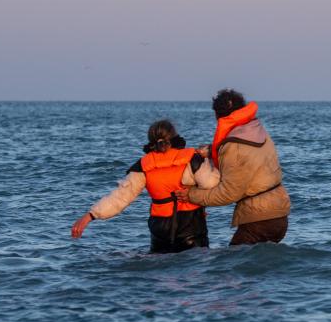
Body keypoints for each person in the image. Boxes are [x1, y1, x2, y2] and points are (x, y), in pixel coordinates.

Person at [72, 120, 219, 253]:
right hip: (192, 233)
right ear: (174, 137)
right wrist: (210, 158)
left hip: (160, 235)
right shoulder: (192, 158)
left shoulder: (143, 166)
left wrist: (90, 216)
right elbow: (211, 183)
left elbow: (120, 198)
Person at [174, 90, 292, 245]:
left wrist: (191, 195)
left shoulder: (233, 146)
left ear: (218, 116)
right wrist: (211, 151)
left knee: (230, 267)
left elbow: (228, 194)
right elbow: (246, 153)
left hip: (259, 220)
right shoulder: (258, 130)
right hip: (280, 215)